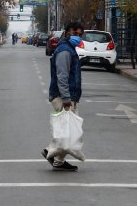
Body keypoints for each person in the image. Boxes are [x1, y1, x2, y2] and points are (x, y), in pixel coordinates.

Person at [42, 22, 85, 171]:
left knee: (68, 131)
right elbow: (62, 76)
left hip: (69, 96)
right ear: (67, 33)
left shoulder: (69, 49)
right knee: (68, 132)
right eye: (75, 33)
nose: (77, 37)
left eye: (80, 34)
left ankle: (58, 161)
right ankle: (50, 152)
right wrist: (66, 99)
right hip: (62, 97)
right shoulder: (65, 51)